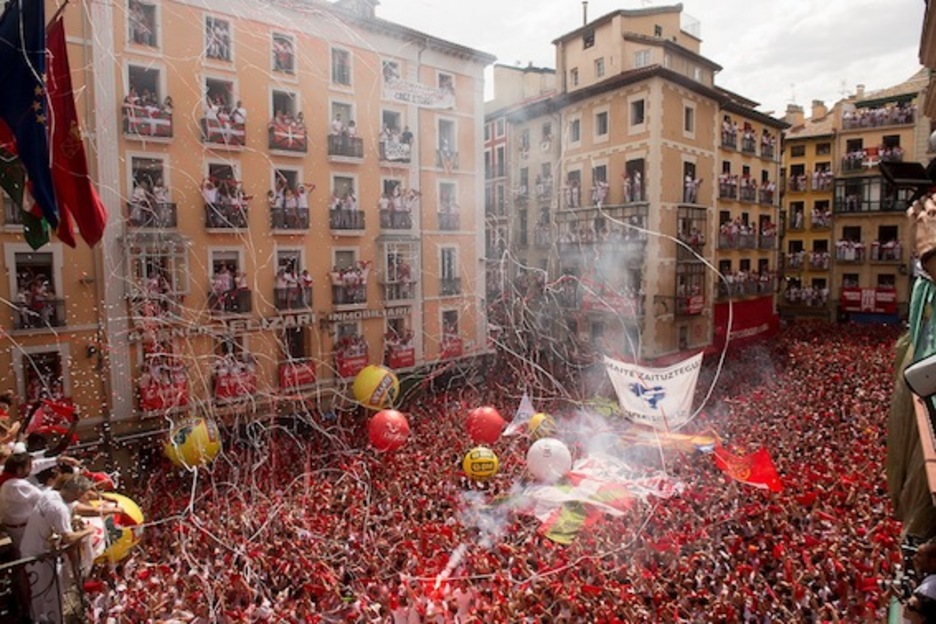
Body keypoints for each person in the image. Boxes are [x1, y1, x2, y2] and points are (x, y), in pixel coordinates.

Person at [20, 474, 96, 624]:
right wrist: (88, 530)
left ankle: (40, 617)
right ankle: (51, 620)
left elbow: (74, 508)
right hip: (39, 555)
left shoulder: (51, 494)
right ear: (77, 493)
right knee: (50, 593)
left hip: (31, 548)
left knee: (41, 591)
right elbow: (69, 538)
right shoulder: (59, 509)